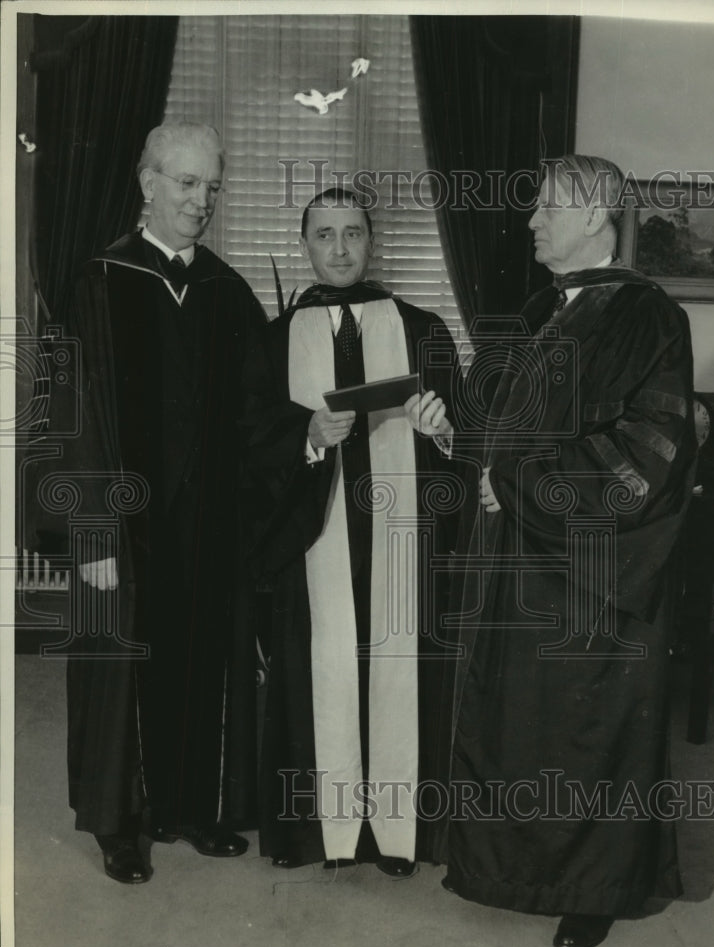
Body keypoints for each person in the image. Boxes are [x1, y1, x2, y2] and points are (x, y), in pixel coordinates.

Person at [445, 154, 697, 947]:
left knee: (591, 732)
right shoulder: (538, 310)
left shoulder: (648, 316)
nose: (529, 221)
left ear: (595, 216)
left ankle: (599, 888)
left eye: (546, 207)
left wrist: (518, 482)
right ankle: (521, 871)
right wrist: (451, 428)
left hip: (596, 568)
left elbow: (646, 450)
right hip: (524, 557)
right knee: (526, 723)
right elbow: (503, 431)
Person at [40, 122, 267, 883]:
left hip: (206, 528)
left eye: (211, 186)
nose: (200, 200)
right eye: (185, 183)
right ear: (147, 184)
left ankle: (187, 805)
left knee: (198, 660)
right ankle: (121, 823)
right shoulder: (97, 280)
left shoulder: (227, 292)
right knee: (122, 662)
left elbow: (257, 414)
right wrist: (93, 527)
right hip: (123, 526)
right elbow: (74, 409)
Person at [240, 187, 460, 876]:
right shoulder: (273, 342)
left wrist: (443, 430)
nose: (339, 248)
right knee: (319, 666)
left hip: (398, 539)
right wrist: (304, 435)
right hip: (312, 532)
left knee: (397, 668)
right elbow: (247, 441)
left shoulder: (423, 329)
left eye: (353, 232)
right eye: (325, 234)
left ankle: (395, 835)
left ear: (374, 242)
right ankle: (319, 833)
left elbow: (470, 433)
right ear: (305, 244)